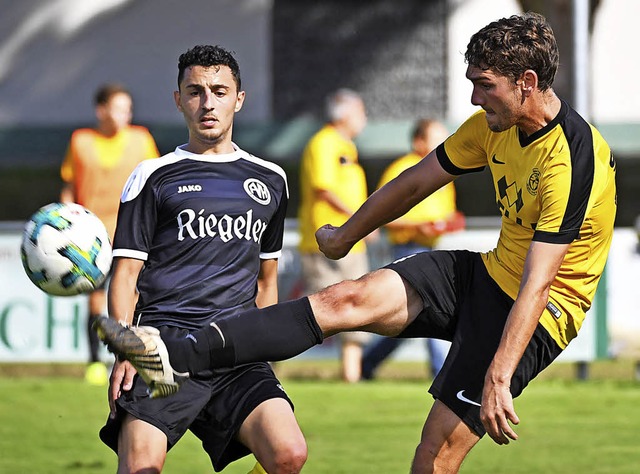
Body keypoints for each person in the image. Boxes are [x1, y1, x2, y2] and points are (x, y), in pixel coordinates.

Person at [95, 13, 617, 473]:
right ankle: (175, 352)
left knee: (434, 459)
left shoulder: (574, 163)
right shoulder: (492, 126)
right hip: (484, 274)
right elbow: (416, 181)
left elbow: (540, 282)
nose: (475, 98)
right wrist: (347, 236)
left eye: (484, 85)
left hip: (534, 312)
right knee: (342, 300)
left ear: (526, 82)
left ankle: (181, 354)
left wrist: (499, 376)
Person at [96, 45, 307, 474]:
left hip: (237, 350)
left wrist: (261, 347)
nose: (207, 103)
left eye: (219, 91)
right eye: (194, 91)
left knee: (288, 454)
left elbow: (266, 281)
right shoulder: (153, 175)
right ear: (179, 100)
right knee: (141, 468)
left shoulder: (271, 180)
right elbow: (125, 275)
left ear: (238, 99)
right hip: (164, 350)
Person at [60, 83, 159, 386]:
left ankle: (139, 357)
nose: (124, 115)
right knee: (95, 298)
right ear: (101, 110)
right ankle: (94, 361)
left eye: (128, 108)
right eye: (118, 108)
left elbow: (156, 181)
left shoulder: (141, 139)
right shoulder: (81, 142)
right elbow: (68, 188)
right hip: (92, 236)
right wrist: (67, 223)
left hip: (133, 232)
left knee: (137, 295)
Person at [361, 119, 464, 381]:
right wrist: (420, 226)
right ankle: (442, 372)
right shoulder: (402, 168)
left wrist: (445, 225)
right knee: (427, 309)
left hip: (430, 250)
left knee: (405, 318)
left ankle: (366, 364)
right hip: (406, 248)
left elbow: (447, 214)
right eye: (436, 137)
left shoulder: (443, 171)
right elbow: (382, 213)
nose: (443, 142)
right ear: (418, 141)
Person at [297, 88, 371, 383]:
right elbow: (323, 188)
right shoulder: (324, 143)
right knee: (320, 308)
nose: (364, 119)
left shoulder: (346, 146)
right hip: (326, 241)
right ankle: (266, 361)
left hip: (351, 240)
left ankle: (351, 376)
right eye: (361, 112)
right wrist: (360, 218)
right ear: (344, 114)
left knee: (357, 305)